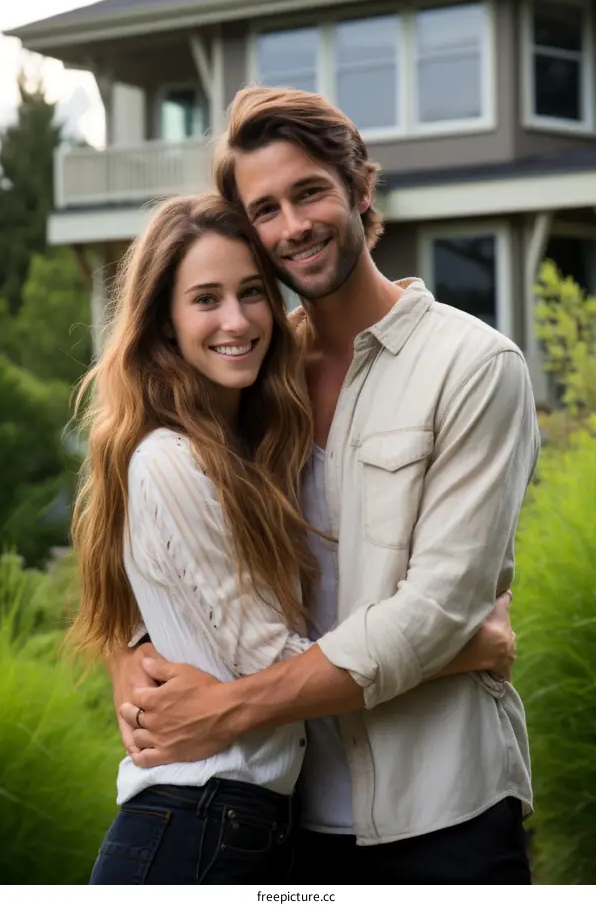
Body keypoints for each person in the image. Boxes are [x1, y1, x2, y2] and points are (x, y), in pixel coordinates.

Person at [112, 88, 540, 884]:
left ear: (360, 188)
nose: (293, 225)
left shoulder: (474, 367)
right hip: (285, 820)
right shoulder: (253, 371)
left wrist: (229, 706)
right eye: (265, 209)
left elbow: (436, 611)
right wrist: (133, 654)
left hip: (444, 807)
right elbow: (164, 533)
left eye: (309, 191)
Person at [71, 194, 324, 883]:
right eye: (206, 300)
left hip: (233, 826)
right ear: (165, 324)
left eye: (251, 294)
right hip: (194, 831)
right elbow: (263, 656)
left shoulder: (243, 450)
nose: (237, 321)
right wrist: (444, 648)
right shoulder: (170, 460)